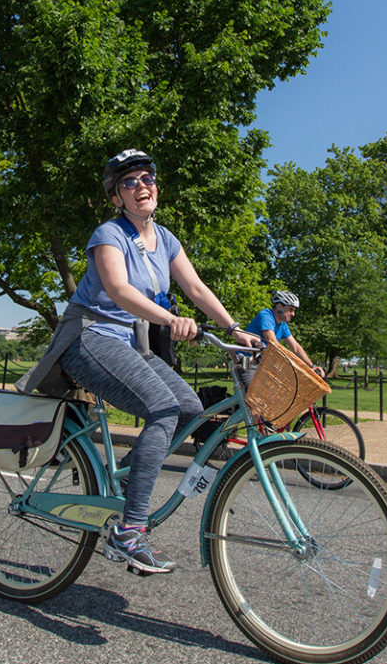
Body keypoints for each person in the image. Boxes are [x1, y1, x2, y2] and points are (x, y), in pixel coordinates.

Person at [16, 150, 255, 575]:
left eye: (148, 178)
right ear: (116, 196)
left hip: (130, 344)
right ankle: (129, 532)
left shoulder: (165, 239)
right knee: (162, 409)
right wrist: (170, 319)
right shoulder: (108, 234)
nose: (142, 186)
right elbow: (120, 290)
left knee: (190, 410)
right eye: (130, 183)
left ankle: (125, 478)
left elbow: (196, 287)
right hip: (89, 338)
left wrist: (235, 328)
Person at [245, 290, 325, 377]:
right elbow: (273, 342)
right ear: (279, 306)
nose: (293, 314)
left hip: (260, 362)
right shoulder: (266, 316)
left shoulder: (283, 324)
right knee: (250, 389)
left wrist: (311, 366)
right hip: (245, 360)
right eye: (290, 310)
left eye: (294, 310)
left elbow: (296, 347)